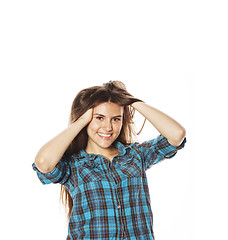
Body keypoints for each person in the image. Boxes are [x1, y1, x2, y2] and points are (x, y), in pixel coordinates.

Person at [32, 80, 186, 240]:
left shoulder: (136, 155)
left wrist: (133, 102)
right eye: (99, 117)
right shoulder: (75, 165)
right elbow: (43, 162)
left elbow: (176, 135)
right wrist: (82, 120)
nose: (108, 127)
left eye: (116, 119)